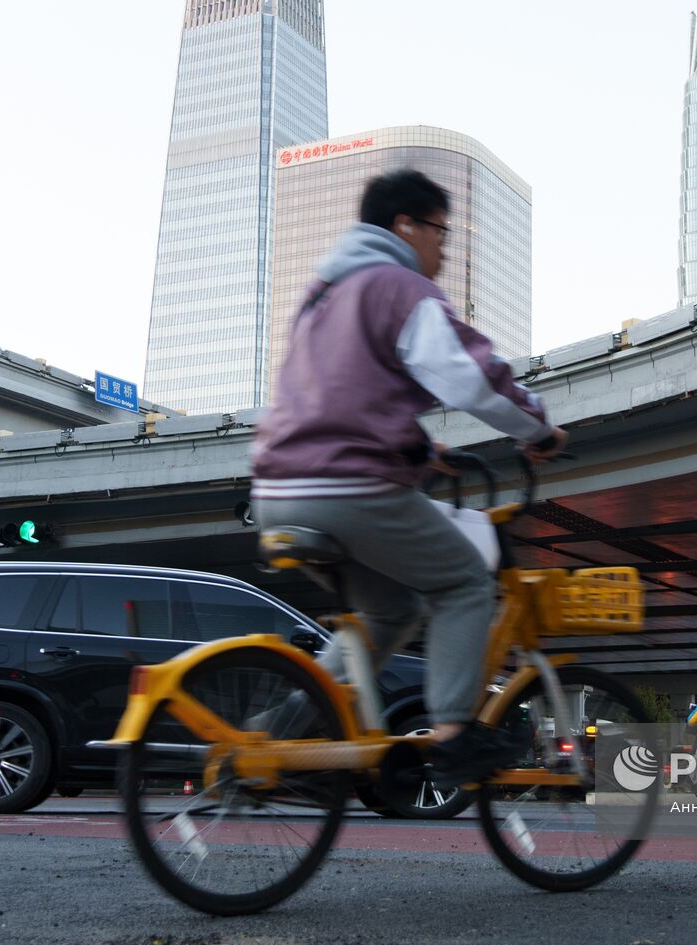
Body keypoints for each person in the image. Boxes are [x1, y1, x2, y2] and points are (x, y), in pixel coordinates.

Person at [250, 169, 566, 789]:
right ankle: (453, 733)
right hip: (349, 491)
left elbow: (338, 397)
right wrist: (537, 429)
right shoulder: (399, 286)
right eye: (441, 233)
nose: (444, 250)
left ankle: (280, 731)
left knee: (390, 609)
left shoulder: (320, 295)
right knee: (464, 584)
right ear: (405, 225)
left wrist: (420, 446)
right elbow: (469, 376)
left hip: (276, 492)